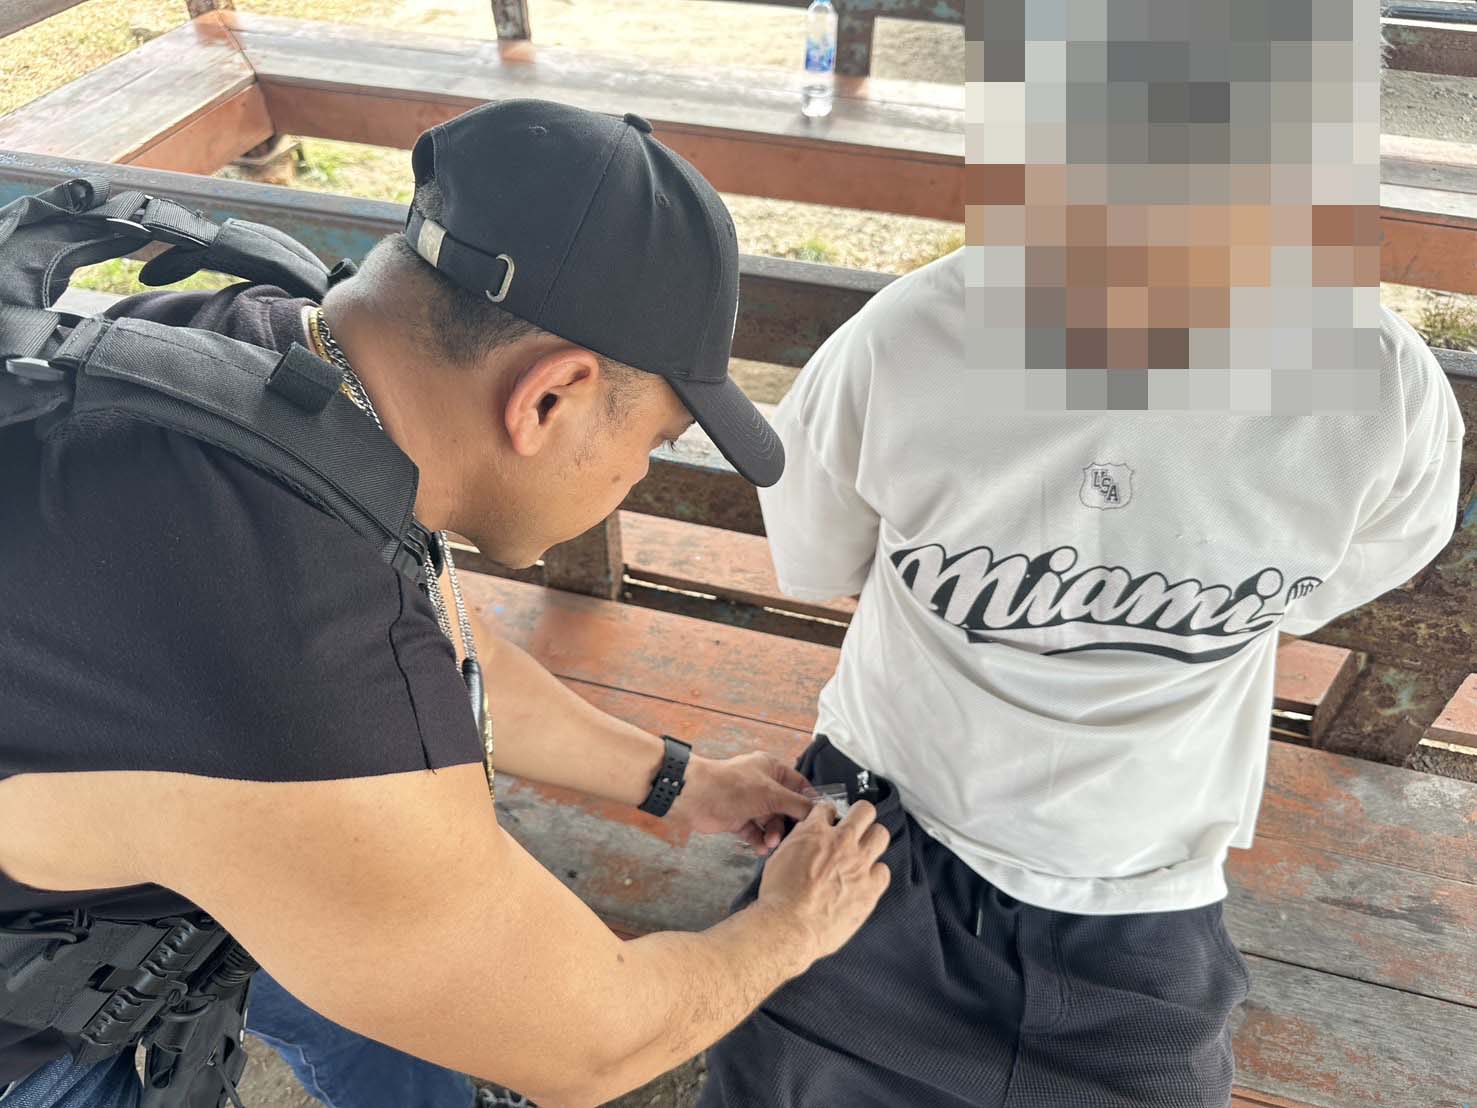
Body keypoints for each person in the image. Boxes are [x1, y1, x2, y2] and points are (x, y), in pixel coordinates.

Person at [0, 99, 891, 1108]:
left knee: (414, 954)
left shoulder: (274, 363)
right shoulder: (308, 671)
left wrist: (681, 781)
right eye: (652, 440)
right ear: (549, 396)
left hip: (116, 858)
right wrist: (790, 927)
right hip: (31, 1037)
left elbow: (454, 648)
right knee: (438, 941)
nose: (637, 474)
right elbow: (593, 1045)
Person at [696, 6, 1466, 1107]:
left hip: (1067, 876)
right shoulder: (1381, 389)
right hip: (915, 846)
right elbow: (1327, 583)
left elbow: (820, 558)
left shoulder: (914, 337)